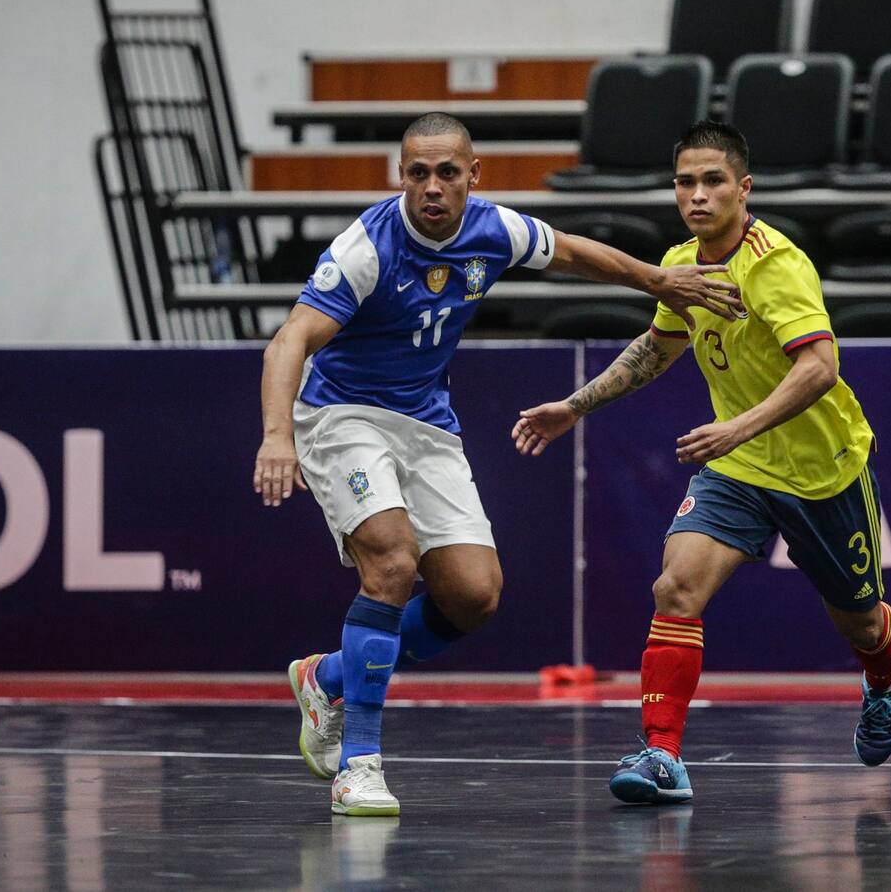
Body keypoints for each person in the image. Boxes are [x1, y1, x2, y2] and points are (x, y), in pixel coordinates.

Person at [253, 112, 741, 817]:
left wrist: (657, 282)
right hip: (342, 417)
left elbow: (571, 252)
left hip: (426, 424)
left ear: (472, 176)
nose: (432, 187)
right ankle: (358, 762)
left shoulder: (493, 229)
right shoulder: (367, 247)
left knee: (474, 596)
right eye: (417, 172)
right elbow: (289, 340)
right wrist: (277, 437)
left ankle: (326, 677)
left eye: (447, 172)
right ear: (401, 176)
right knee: (392, 562)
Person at [512, 120, 891, 805]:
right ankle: (662, 756)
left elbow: (819, 367)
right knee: (676, 589)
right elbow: (658, 348)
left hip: (822, 470)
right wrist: (574, 407)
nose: (698, 195)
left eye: (713, 181)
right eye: (685, 182)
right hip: (740, 470)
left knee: (863, 624)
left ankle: (882, 682)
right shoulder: (681, 262)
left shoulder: (776, 265)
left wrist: (736, 427)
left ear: (743, 188)